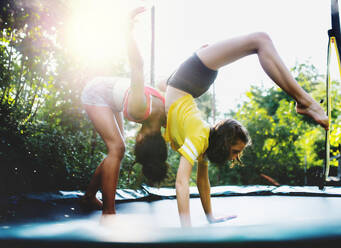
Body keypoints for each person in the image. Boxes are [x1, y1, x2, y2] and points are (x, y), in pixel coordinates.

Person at [163, 32, 329, 227]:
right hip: (186, 81)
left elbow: (202, 183)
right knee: (261, 40)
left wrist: (210, 217)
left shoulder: (203, 143)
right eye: (235, 151)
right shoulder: (199, 137)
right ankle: (305, 102)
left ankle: (304, 102)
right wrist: (186, 231)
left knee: (259, 41)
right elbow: (181, 183)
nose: (235, 157)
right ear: (224, 143)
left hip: (185, 82)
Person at [80, 7, 168, 219]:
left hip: (111, 98)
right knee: (117, 148)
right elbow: (137, 66)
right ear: (142, 138)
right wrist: (126, 30)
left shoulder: (160, 115)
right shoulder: (142, 107)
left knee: (117, 148)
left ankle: (89, 196)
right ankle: (108, 212)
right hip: (96, 92)